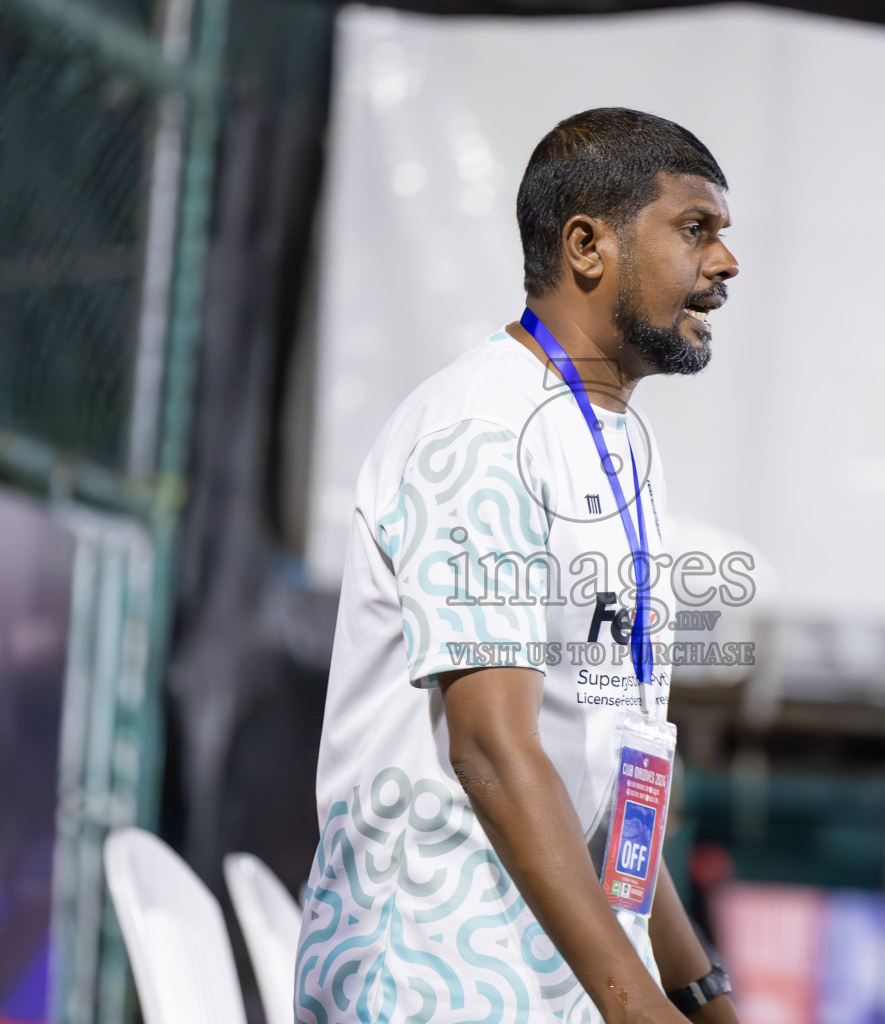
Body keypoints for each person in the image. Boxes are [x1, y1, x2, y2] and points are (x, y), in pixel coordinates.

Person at [295, 108, 740, 1024]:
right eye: (695, 230)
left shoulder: (614, 441)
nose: (725, 265)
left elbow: (610, 771)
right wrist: (640, 1011)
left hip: (551, 994)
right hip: (432, 986)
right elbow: (493, 750)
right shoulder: (484, 430)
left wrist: (699, 993)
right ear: (588, 246)